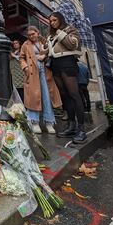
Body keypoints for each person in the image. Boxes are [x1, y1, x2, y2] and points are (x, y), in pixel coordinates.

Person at [46, 12, 86, 143]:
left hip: (68, 63)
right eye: (50, 21)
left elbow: (73, 45)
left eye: (54, 20)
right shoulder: (51, 35)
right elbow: (51, 50)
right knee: (65, 96)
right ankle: (71, 126)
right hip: (56, 65)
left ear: (60, 19)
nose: (52, 22)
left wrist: (60, 33)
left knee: (74, 95)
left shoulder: (70, 29)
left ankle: (81, 129)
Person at [20, 25, 62, 134]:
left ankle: (49, 122)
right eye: (29, 35)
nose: (31, 36)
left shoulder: (45, 42)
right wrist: (25, 68)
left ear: (37, 33)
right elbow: (22, 58)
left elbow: (53, 53)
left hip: (45, 71)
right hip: (32, 72)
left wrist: (45, 56)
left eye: (33, 34)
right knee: (33, 96)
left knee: (46, 96)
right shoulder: (25, 44)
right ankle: (34, 122)